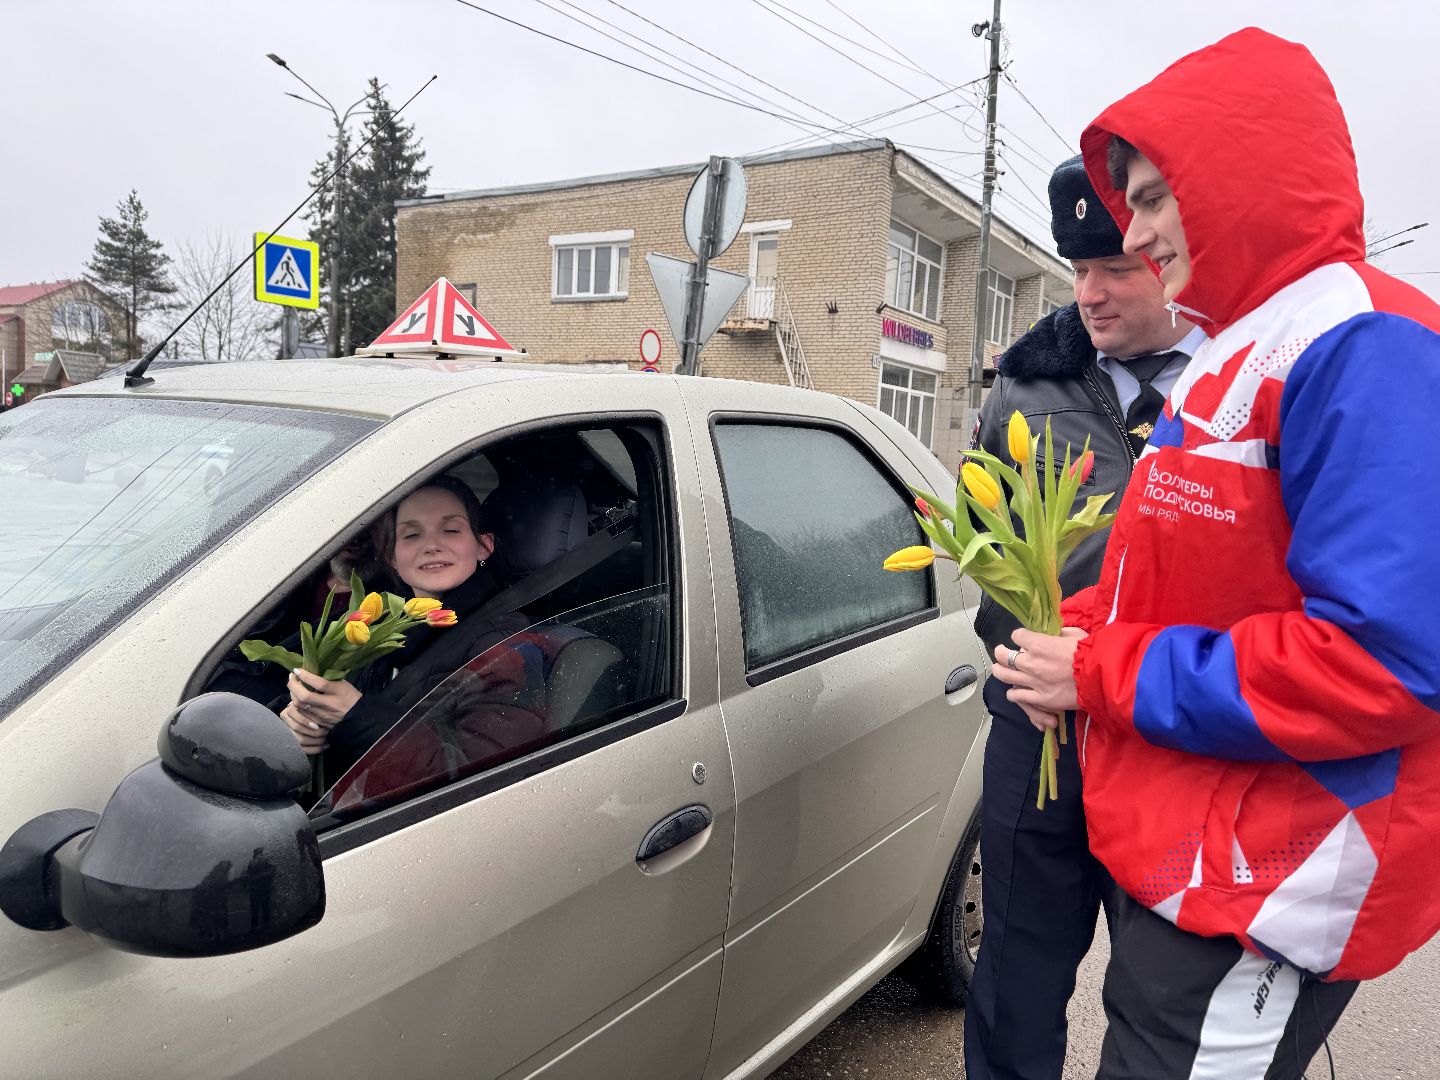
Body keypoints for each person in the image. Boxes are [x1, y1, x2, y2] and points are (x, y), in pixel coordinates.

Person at [990, 27, 1440, 1078]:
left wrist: (1097, 670)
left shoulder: (1363, 348)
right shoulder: (1250, 345)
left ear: (1239, 174)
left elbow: (1384, 665)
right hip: (1208, 854)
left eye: (1151, 199)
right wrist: (1082, 635)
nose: (1137, 237)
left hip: (1273, 882)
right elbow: (1187, 581)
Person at [965, 155, 1201, 1080]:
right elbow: (985, 546)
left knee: (1160, 989)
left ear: (1170, 258)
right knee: (1016, 975)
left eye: (1116, 270)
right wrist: (1021, 660)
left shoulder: (1237, 388)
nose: (1089, 295)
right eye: (1078, 271)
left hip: (1170, 738)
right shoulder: (1027, 388)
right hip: (1039, 734)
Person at [280, 475, 532, 777]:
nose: (432, 546)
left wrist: (355, 715)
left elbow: (476, 778)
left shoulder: (505, 646)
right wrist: (301, 719)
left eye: (451, 530)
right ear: (392, 558)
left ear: (484, 547)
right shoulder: (378, 616)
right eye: (411, 535)